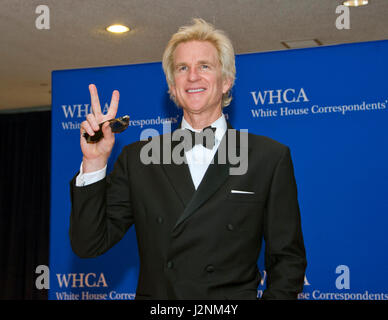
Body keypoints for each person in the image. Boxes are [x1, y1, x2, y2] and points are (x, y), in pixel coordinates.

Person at [70, 18, 307, 300]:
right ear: (172, 87)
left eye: (204, 66)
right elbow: (88, 244)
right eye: (182, 69)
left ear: (226, 81)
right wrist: (95, 163)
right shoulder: (138, 159)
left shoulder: (268, 157)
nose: (193, 76)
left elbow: (288, 261)